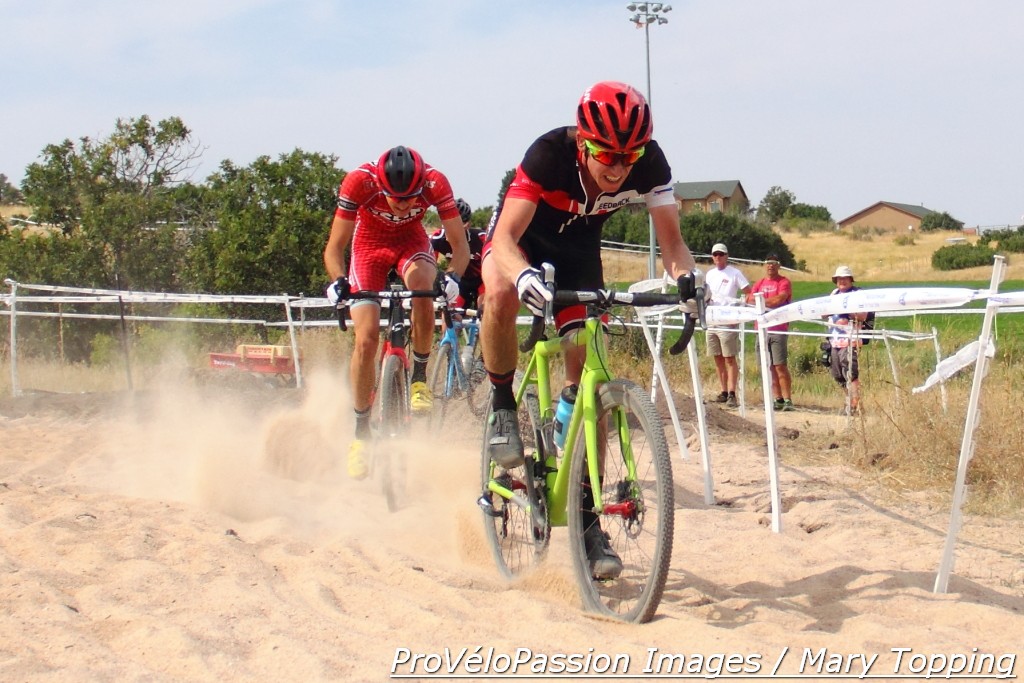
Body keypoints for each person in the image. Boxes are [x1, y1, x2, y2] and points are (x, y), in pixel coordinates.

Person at [480, 80, 699, 579]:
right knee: (499, 293)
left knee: (589, 382)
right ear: (583, 141)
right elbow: (505, 238)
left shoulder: (651, 165)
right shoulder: (548, 155)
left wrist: (688, 281)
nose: (619, 168)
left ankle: (587, 521)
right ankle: (502, 406)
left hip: (578, 253)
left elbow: (672, 244)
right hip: (523, 242)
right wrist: (523, 275)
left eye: (629, 156)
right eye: (607, 154)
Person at [324, 145, 469, 480]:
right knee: (366, 340)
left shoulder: (435, 182)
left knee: (423, 287)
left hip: (411, 243)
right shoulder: (359, 182)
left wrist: (454, 277)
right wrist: (338, 281)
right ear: (380, 185)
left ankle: (419, 377)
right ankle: (361, 433)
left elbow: (460, 246)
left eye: (410, 199)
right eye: (396, 198)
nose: (403, 205)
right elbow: (335, 247)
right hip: (368, 248)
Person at [705, 242, 750, 408]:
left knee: (729, 357)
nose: (718, 257)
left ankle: (732, 393)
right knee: (717, 357)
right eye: (715, 254)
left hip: (727, 320)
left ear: (726, 256)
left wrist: (739, 312)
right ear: (712, 257)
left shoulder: (735, 273)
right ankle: (723, 391)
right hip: (712, 320)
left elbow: (748, 292)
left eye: (721, 254)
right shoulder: (709, 274)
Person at [748, 253, 794, 411]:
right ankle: (777, 398)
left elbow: (779, 299)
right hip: (761, 329)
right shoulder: (759, 283)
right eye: (768, 263)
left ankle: (787, 399)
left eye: (774, 263)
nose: (770, 266)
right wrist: (763, 302)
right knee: (767, 367)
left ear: (778, 265)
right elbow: (749, 299)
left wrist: (760, 302)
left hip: (778, 329)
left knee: (779, 365)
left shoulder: (784, 282)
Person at [826, 265, 874, 414]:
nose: (842, 281)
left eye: (845, 278)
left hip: (851, 339)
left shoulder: (858, 294)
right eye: (839, 279)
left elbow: (863, 316)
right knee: (837, 374)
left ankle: (855, 404)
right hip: (834, 339)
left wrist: (846, 311)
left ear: (851, 279)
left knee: (850, 372)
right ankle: (849, 400)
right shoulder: (834, 293)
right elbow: (824, 313)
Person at [429, 198, 486, 312]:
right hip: (459, 280)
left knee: (484, 309)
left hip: (482, 280)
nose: (453, 230)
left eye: (459, 225)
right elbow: (429, 265)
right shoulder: (437, 238)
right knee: (449, 312)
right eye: (448, 225)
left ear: (467, 225)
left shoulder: (481, 238)